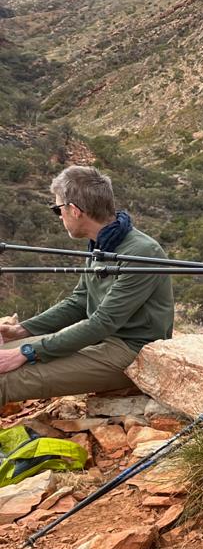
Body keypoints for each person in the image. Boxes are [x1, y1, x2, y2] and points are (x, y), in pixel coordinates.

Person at [0, 166, 174, 405]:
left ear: (74, 210)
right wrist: (23, 331)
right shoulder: (100, 243)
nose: (59, 216)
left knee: (5, 380)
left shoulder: (142, 251)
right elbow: (80, 301)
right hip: (99, 339)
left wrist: (27, 352)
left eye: (57, 209)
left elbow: (103, 322)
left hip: (132, 352)